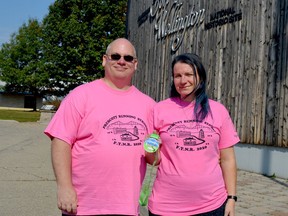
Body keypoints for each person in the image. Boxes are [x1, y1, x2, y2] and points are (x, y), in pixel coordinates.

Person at [44, 38, 156, 215]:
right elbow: (61, 141)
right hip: (83, 206)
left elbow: (152, 157)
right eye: (115, 56)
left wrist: (155, 148)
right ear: (105, 60)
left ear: (135, 64)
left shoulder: (149, 105)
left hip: (126, 208)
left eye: (128, 58)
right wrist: (64, 187)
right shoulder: (81, 95)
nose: (121, 61)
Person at [146, 53, 240, 216]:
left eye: (189, 74)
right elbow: (153, 160)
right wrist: (151, 147)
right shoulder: (159, 110)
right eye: (178, 76)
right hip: (166, 206)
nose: (183, 81)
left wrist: (231, 198)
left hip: (212, 205)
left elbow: (228, 159)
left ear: (200, 77)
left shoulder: (218, 110)